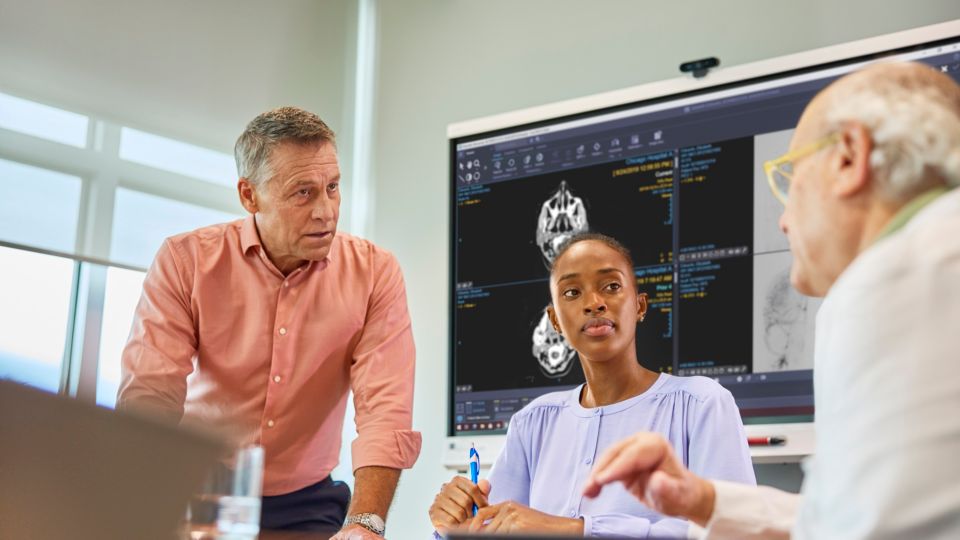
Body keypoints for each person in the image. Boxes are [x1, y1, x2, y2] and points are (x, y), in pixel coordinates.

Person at [583, 62, 960, 539]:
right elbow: (847, 520)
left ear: (848, 157)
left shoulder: (896, 275)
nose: (784, 222)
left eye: (789, 176)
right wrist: (702, 500)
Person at [117, 107, 421, 538]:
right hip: (200, 490)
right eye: (303, 193)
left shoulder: (375, 273)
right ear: (249, 195)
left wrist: (365, 523)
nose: (326, 211)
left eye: (333, 188)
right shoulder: (186, 262)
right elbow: (151, 395)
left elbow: (385, 412)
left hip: (308, 500)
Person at [428, 233, 756, 537]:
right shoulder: (533, 423)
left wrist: (577, 529)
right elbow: (493, 527)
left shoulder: (700, 404)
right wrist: (455, 524)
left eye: (611, 286)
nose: (594, 303)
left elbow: (734, 531)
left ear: (640, 305)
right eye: (572, 292)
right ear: (555, 319)